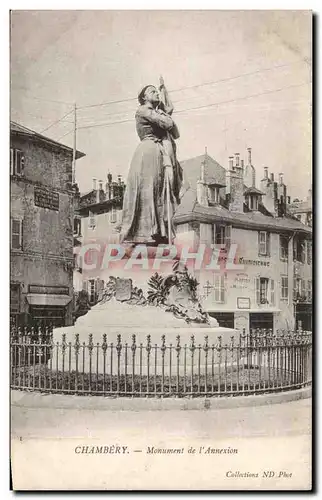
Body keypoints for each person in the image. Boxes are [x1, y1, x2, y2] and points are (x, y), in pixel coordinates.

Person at [120, 80, 183, 244]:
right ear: (144, 97)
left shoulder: (156, 112)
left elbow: (175, 132)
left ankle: (159, 231)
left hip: (158, 152)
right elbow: (168, 123)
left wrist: (163, 110)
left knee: (159, 191)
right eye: (152, 91)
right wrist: (164, 112)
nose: (156, 93)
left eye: (157, 91)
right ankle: (144, 232)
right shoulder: (143, 110)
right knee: (149, 189)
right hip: (148, 152)